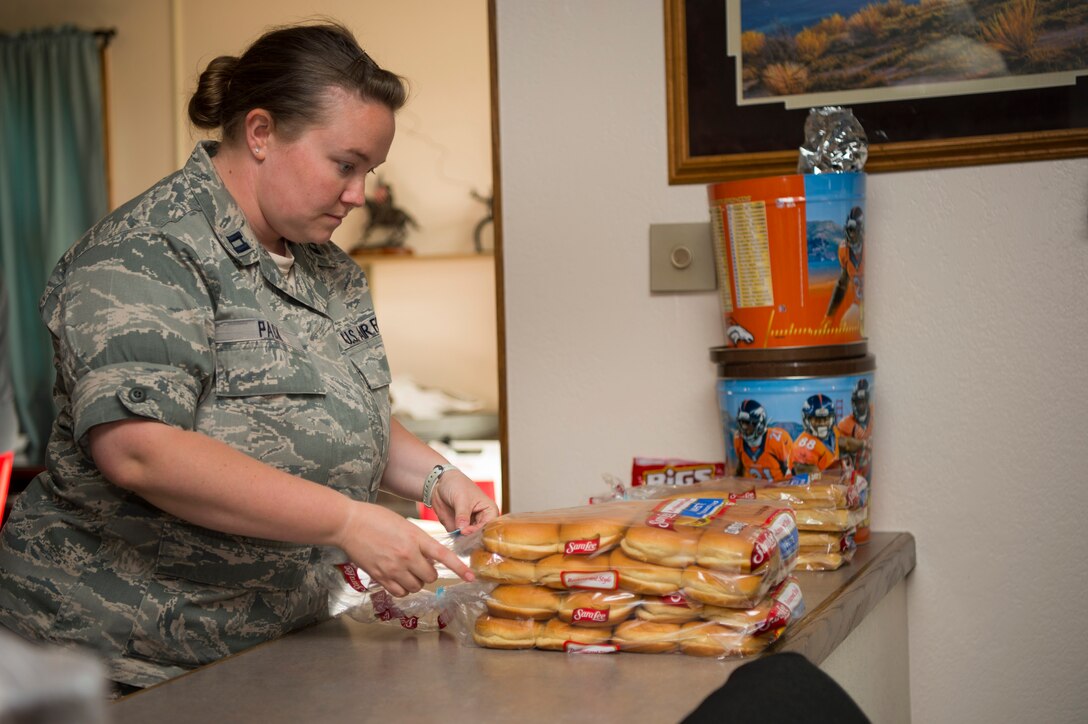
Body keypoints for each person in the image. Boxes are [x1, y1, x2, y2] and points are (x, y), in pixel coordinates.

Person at [0, 21, 498, 694]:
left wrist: (437, 477)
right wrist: (348, 520)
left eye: (369, 171)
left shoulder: (329, 271)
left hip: (264, 646)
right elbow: (139, 448)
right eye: (344, 165)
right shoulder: (148, 250)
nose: (358, 194)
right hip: (118, 659)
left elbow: (338, 416)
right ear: (261, 133)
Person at [732, 399, 793, 481]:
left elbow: (792, 472)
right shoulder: (738, 440)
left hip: (779, 490)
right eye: (742, 423)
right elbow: (739, 472)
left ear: (760, 424)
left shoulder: (777, 440)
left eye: (748, 423)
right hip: (755, 490)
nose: (744, 428)